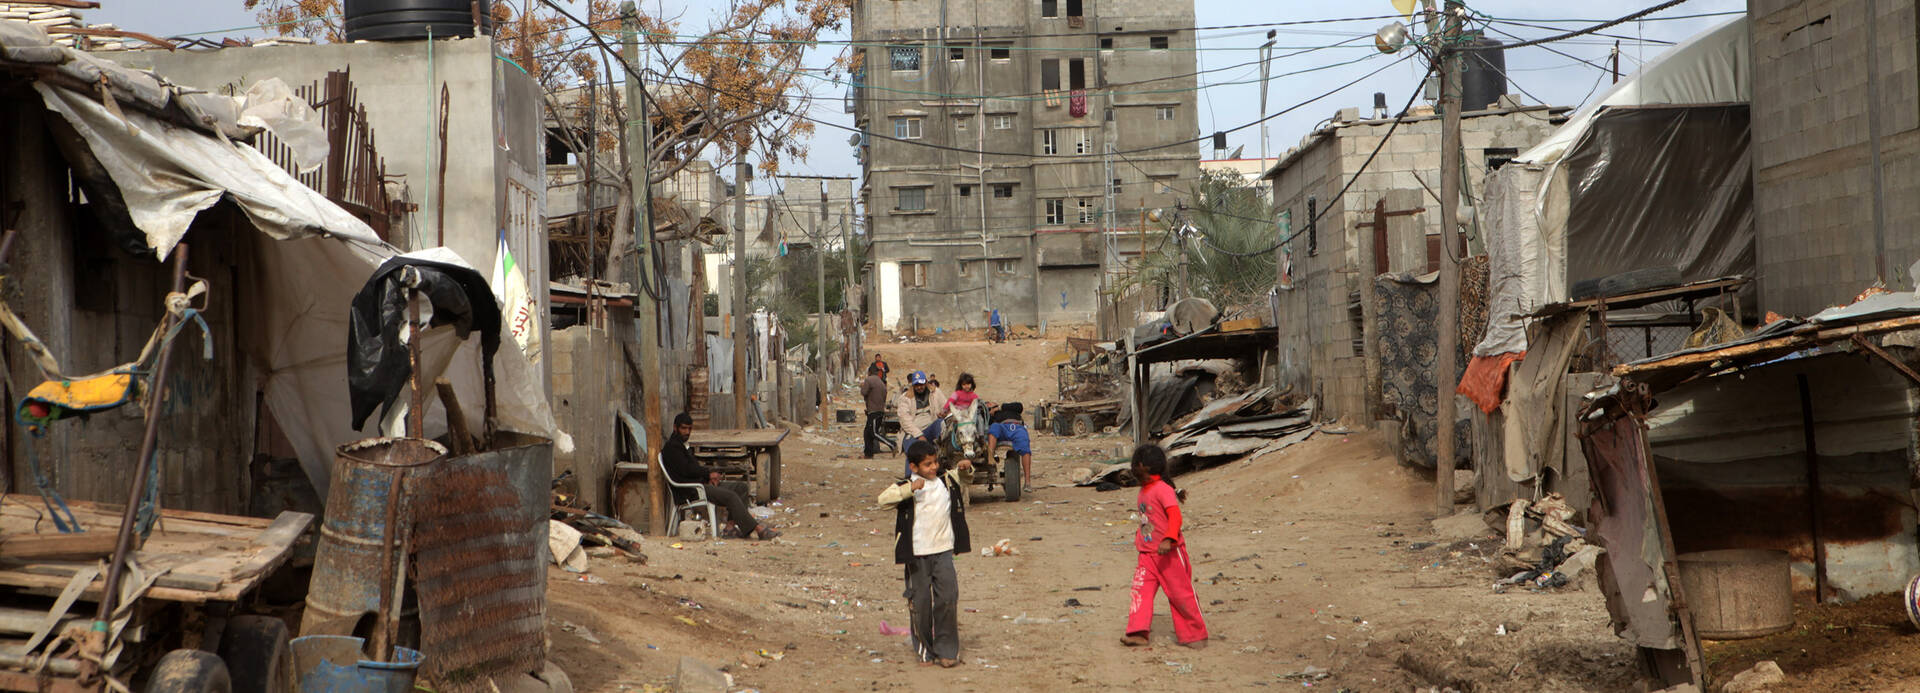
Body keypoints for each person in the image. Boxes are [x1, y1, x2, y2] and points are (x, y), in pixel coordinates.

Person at [877, 440, 972, 667]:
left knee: (947, 599)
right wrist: (910, 489)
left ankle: (947, 650)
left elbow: (966, 478)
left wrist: (966, 468)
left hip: (944, 551)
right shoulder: (907, 486)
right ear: (914, 467)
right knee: (919, 603)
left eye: (935, 462)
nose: (933, 467)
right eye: (927, 464)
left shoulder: (946, 481)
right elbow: (883, 500)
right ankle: (925, 650)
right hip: (917, 554)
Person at [1121, 444, 1207, 649]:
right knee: (1140, 591)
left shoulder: (1163, 490)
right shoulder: (1144, 490)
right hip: (1148, 555)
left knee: (1180, 593)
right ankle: (1138, 632)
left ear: (1148, 468)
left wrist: (1169, 539)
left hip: (1169, 554)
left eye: (1138, 469)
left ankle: (1194, 635)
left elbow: (1175, 517)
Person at [661, 413, 781, 540]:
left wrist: (708, 477)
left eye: (689, 429)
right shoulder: (672, 448)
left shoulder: (682, 445)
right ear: (675, 428)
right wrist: (707, 475)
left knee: (741, 488)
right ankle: (759, 530)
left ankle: (730, 528)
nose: (687, 432)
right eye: (683, 428)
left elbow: (693, 469)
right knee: (731, 496)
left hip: (701, 484)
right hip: (691, 490)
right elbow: (686, 471)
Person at [894, 371, 944, 468]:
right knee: (912, 450)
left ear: (925, 382)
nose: (919, 387)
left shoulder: (935, 392)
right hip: (913, 431)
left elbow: (945, 406)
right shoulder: (905, 398)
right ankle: (910, 477)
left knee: (941, 424)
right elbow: (905, 421)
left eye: (921, 384)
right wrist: (919, 435)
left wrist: (943, 412)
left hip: (931, 426)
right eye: (916, 385)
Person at [985, 403, 1031, 491]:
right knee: (994, 428)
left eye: (990, 404)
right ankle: (990, 457)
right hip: (1002, 427)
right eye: (988, 406)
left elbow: (1020, 406)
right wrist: (990, 413)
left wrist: (1000, 408)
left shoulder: (1011, 410)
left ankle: (1027, 483)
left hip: (1017, 427)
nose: (990, 405)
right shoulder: (991, 418)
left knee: (1025, 448)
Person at [861, 370, 888, 459]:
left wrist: (862, 387)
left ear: (869, 372)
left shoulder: (869, 380)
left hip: (873, 411)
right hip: (880, 410)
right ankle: (868, 453)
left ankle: (892, 444)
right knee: (867, 432)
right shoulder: (881, 382)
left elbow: (864, 392)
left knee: (873, 433)